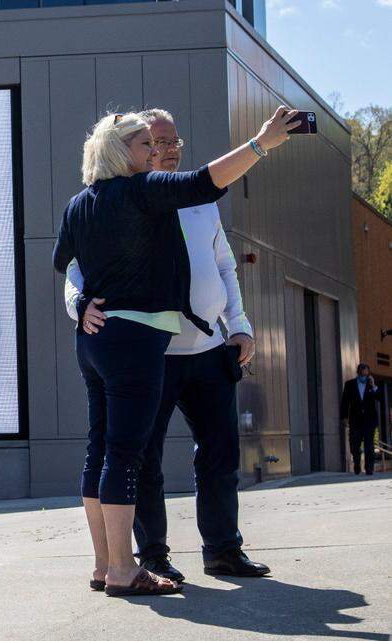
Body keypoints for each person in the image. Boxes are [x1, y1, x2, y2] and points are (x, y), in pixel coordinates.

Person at [53, 106, 299, 596]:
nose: (159, 151)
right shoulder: (146, 191)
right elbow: (206, 181)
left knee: (108, 449)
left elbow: (65, 259)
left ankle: (117, 564)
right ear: (123, 152)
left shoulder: (82, 202)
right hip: (144, 343)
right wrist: (260, 144)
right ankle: (133, 565)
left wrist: (239, 325)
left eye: (165, 143)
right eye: (148, 144)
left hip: (130, 345)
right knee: (128, 455)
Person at [340, 363, 384, 475]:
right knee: (354, 445)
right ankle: (357, 465)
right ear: (358, 373)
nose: (364, 376)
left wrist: (373, 385)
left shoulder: (372, 385)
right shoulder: (349, 384)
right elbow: (345, 402)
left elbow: (380, 398)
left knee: (369, 445)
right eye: (362, 373)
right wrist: (344, 417)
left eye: (366, 374)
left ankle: (369, 468)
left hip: (369, 421)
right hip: (355, 421)